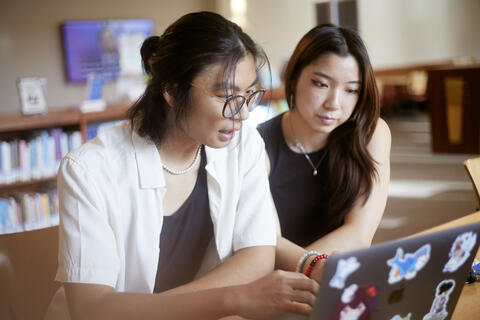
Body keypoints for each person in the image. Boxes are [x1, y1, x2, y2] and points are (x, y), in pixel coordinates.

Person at [45, 12, 318, 320]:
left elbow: (257, 255)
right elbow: (92, 309)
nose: (241, 114)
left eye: (249, 94)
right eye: (227, 95)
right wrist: (232, 299)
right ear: (172, 91)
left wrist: (154, 310)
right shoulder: (89, 170)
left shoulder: (244, 144)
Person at [258, 24, 391, 272]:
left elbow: (359, 234)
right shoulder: (258, 146)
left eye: (351, 90)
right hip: (280, 284)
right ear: (294, 78)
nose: (334, 104)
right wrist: (314, 268)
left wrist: (319, 270)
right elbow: (269, 244)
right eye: (321, 84)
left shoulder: (370, 133)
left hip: (342, 275)